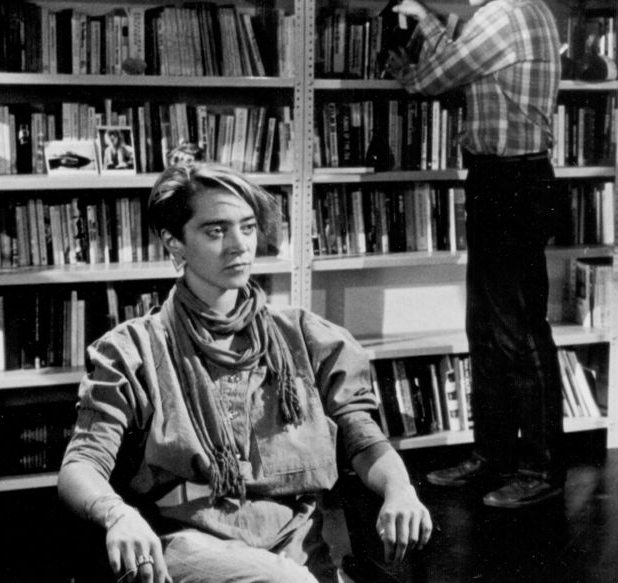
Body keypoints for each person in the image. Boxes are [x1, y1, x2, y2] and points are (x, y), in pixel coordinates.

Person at [58, 162, 432, 583]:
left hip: (297, 546)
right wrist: (117, 516)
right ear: (174, 243)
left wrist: (400, 489)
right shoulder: (132, 350)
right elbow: (81, 466)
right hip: (189, 545)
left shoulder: (306, 338)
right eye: (215, 231)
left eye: (249, 227)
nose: (239, 246)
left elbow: (363, 438)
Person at [385, 0, 567, 509]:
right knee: (487, 330)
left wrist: (425, 24)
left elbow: (435, 80)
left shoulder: (505, 17)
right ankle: (494, 458)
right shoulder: (516, 14)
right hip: (499, 179)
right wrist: (432, 41)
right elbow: (452, 71)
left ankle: (540, 471)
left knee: (517, 333)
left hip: (513, 181)